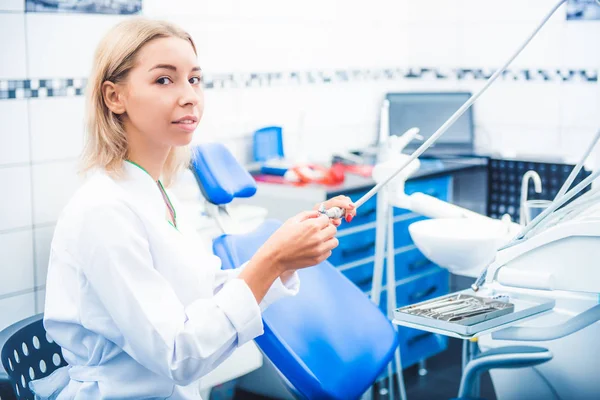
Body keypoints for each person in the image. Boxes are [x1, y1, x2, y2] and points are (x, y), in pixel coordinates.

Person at [31, 18, 356, 399]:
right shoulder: (103, 212)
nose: (189, 96)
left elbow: (203, 292)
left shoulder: (155, 192)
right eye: (164, 80)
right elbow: (178, 356)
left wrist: (286, 255)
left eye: (195, 79)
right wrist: (272, 260)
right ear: (114, 97)